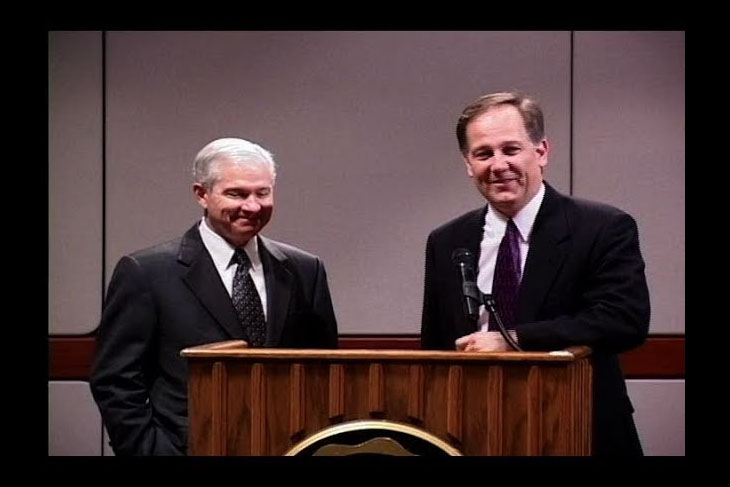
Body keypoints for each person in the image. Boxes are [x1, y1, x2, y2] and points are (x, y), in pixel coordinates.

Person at [421, 92, 650, 456]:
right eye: (484, 154)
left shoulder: (603, 227)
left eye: (511, 149)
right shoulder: (447, 241)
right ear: (468, 163)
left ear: (541, 152)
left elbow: (624, 320)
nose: (498, 165)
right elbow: (435, 345)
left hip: (579, 427)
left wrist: (513, 340)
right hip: (474, 432)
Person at [90, 137, 339, 455]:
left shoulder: (305, 270)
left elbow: (324, 371)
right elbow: (115, 380)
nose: (252, 206)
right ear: (201, 194)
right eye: (237, 193)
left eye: (262, 193)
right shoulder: (146, 272)